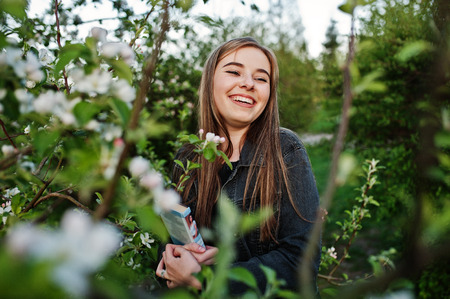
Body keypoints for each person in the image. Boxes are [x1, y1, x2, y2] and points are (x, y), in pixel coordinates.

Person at [156, 37, 321, 295]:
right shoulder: (188, 157)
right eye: (234, 71)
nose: (247, 83)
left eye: (261, 78)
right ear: (210, 80)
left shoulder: (285, 150)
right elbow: (170, 236)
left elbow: (301, 261)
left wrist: (212, 277)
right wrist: (170, 258)